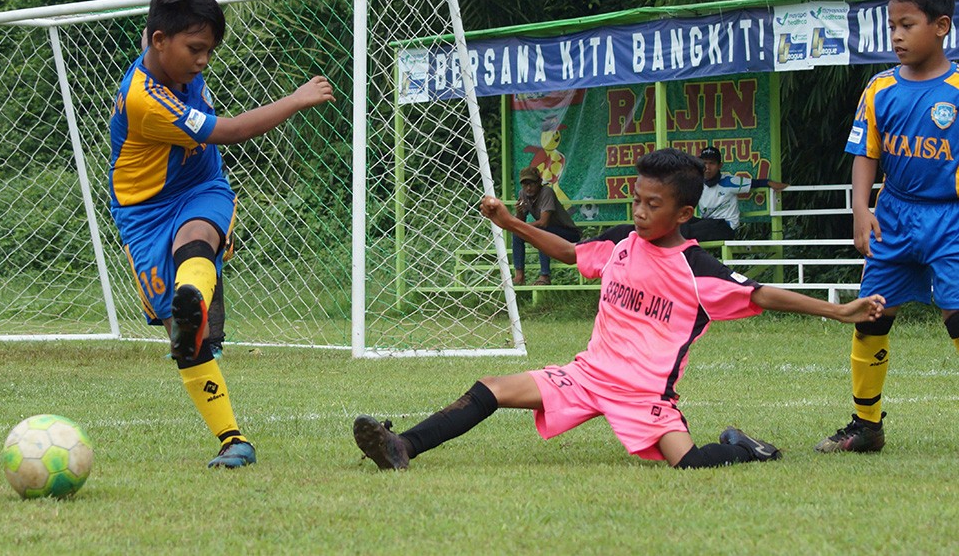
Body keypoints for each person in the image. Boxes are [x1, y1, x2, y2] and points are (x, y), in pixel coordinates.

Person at [352, 148, 885, 471]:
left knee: (689, 463)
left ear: (684, 212)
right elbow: (569, 252)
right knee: (492, 387)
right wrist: (509, 222)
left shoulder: (697, 268)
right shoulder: (620, 242)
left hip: (644, 393)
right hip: (589, 374)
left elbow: (763, 293)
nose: (640, 212)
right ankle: (402, 446)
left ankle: (745, 448)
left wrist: (839, 311)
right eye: (636, 200)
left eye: (653, 205)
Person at [109, 0, 334, 468]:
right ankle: (232, 437)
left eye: (209, 49)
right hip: (143, 214)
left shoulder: (167, 51)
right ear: (160, 42)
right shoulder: (145, 98)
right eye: (196, 49)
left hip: (201, 188)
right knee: (186, 344)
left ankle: (192, 298)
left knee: (198, 237)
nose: (203, 60)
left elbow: (159, 23)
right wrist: (296, 98)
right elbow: (228, 131)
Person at [817, 0, 958, 454]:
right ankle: (866, 425)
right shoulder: (879, 88)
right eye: (892, 26)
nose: (896, 35)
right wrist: (861, 209)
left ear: (941, 26)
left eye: (907, 25)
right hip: (893, 216)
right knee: (871, 317)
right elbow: (865, 153)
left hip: (950, 219)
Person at [681, 145, 787, 242]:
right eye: (704, 163)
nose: (707, 167)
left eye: (712, 163)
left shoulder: (729, 181)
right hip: (707, 224)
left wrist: (771, 183)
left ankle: (677, 250)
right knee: (680, 222)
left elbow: (755, 183)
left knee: (688, 231)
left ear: (720, 165)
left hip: (725, 227)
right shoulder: (697, 183)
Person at [512, 166, 581, 285]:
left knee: (541, 232)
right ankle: (519, 276)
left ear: (539, 182)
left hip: (569, 233)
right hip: (549, 231)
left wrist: (522, 227)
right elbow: (521, 221)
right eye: (525, 184)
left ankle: (545, 275)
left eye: (532, 184)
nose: (528, 188)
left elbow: (543, 222)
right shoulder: (523, 194)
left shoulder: (546, 192)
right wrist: (519, 212)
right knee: (517, 234)